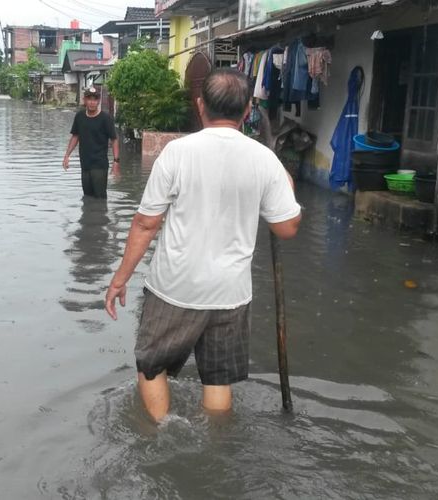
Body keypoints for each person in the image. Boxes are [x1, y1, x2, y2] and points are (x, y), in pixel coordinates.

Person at [104, 68, 302, 422]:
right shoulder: (264, 159)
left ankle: (160, 435)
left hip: (175, 287)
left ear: (200, 105)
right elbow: (287, 228)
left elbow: (146, 223)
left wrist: (120, 279)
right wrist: (287, 183)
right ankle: (214, 443)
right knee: (218, 378)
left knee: (151, 366)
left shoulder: (176, 153)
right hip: (231, 293)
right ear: (246, 112)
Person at [63, 87, 120, 199]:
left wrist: (116, 162)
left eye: (95, 99)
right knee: (87, 197)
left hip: (99, 165)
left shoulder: (105, 118)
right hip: (85, 165)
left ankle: (101, 216)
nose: (92, 102)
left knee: (100, 198)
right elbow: (75, 136)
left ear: (98, 101)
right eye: (89, 99)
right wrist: (67, 155)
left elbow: (114, 139)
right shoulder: (80, 116)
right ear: (84, 100)